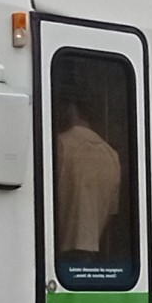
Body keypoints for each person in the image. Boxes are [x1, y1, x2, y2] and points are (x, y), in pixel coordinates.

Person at [53, 98, 124, 282]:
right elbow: (111, 212)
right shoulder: (111, 155)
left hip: (58, 250)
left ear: (72, 108)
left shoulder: (60, 145)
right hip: (92, 254)